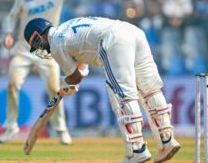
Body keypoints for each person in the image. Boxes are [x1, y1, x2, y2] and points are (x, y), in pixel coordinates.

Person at [23, 17, 181, 163]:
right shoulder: (66, 28)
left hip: (113, 40)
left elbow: (75, 77)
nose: (40, 48)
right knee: (150, 90)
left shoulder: (56, 45)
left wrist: (66, 82)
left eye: (37, 43)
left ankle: (137, 150)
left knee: (123, 97)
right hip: (133, 32)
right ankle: (167, 140)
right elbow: (81, 68)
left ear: (39, 35)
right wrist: (69, 82)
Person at [0, 0, 94, 144]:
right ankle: (10, 126)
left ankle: (61, 129)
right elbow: (12, 16)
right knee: (12, 84)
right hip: (23, 49)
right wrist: (8, 33)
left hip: (49, 50)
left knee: (54, 90)